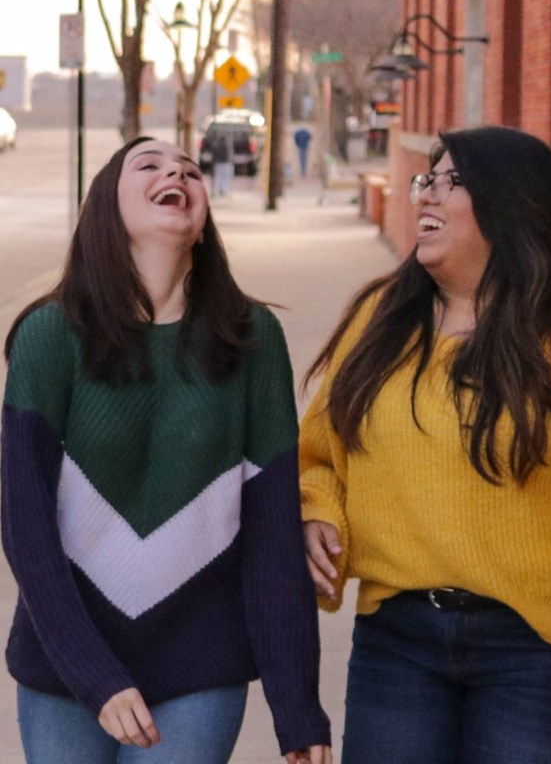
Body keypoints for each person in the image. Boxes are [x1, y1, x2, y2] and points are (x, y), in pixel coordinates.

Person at [300, 125, 551, 763]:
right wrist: (318, 513)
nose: (427, 195)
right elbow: (320, 454)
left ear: (514, 205)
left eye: (453, 182)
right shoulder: (382, 320)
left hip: (537, 654)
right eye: (428, 178)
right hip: (397, 643)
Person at [1, 137, 331, 763]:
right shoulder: (50, 335)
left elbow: (271, 536)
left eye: (189, 169)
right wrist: (93, 674)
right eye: (148, 165)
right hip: (65, 668)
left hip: (199, 666)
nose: (176, 172)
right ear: (106, 207)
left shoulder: (252, 340)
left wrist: (297, 708)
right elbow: (26, 527)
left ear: (203, 223)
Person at [211, 131, 233, 197]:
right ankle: (224, 190)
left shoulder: (216, 144)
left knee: (218, 176)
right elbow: (229, 154)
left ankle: (219, 189)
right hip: (225, 163)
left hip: (218, 163)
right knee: (225, 176)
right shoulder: (227, 144)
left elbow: (213, 154)